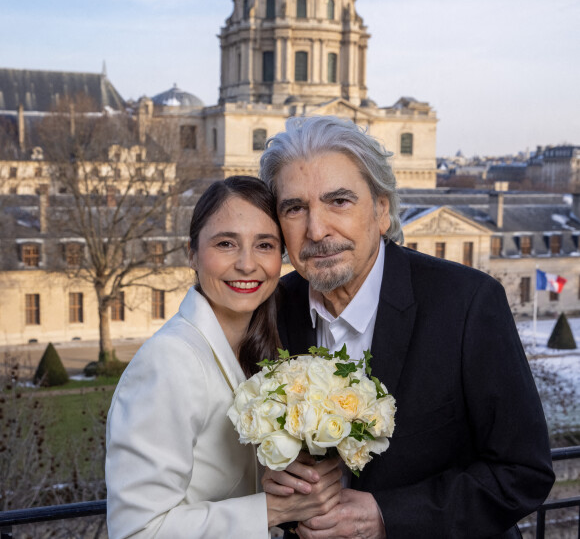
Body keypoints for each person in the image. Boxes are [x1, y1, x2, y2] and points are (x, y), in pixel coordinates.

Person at [259, 116, 555, 539]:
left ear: (381, 210)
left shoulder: (467, 302)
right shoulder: (272, 309)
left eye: (339, 201)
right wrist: (270, 478)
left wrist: (386, 516)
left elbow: (522, 473)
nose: (317, 229)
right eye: (295, 208)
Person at [105, 176, 342, 538]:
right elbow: (137, 531)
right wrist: (272, 509)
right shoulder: (169, 361)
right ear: (192, 253)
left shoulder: (261, 351)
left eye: (264, 245)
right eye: (226, 243)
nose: (247, 264)